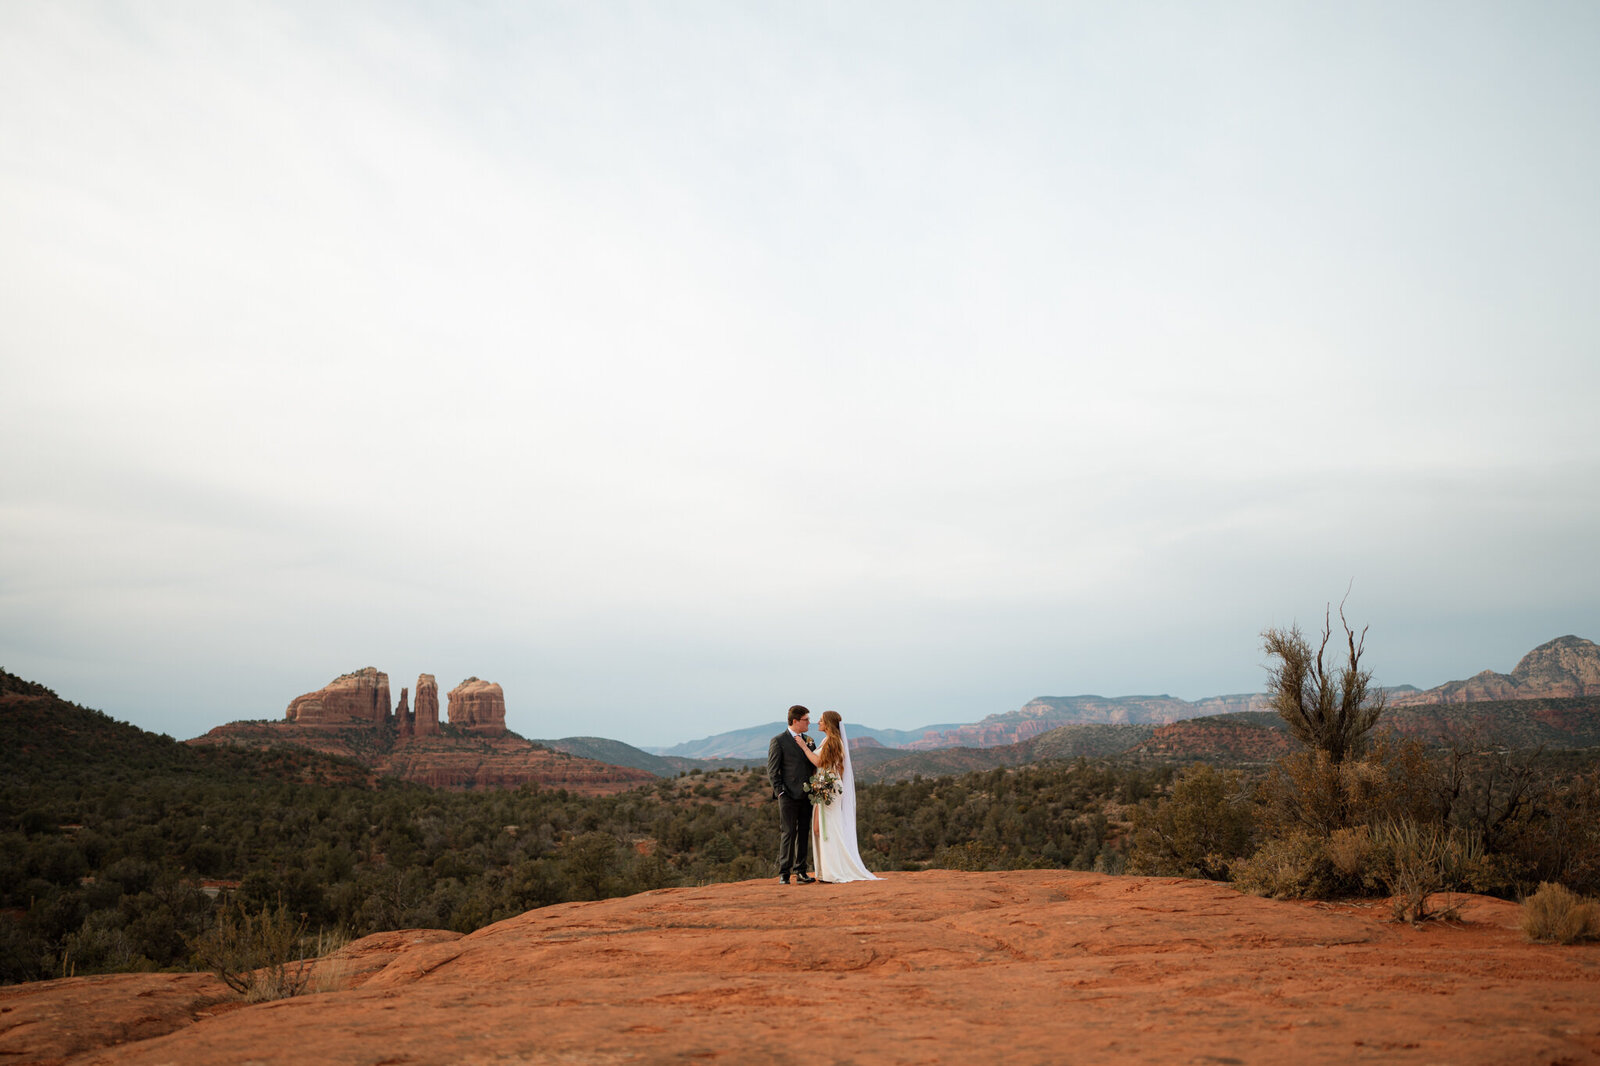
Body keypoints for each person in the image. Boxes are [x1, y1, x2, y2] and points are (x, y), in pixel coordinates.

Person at [790, 710, 879, 883]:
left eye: (821, 720)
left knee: (827, 829)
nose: (818, 722)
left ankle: (833, 871)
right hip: (824, 786)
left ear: (828, 723)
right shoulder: (827, 740)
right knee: (818, 829)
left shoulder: (833, 741)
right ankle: (825, 870)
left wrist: (802, 746)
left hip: (829, 788)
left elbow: (818, 762)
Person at [766, 705, 817, 885]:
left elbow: (814, 765)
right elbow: (772, 771)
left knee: (804, 832)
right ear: (795, 721)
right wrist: (780, 792)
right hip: (787, 796)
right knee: (788, 832)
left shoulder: (809, 740)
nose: (809, 722)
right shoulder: (778, 741)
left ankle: (801, 871)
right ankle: (784, 873)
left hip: (807, 795)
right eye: (806, 720)